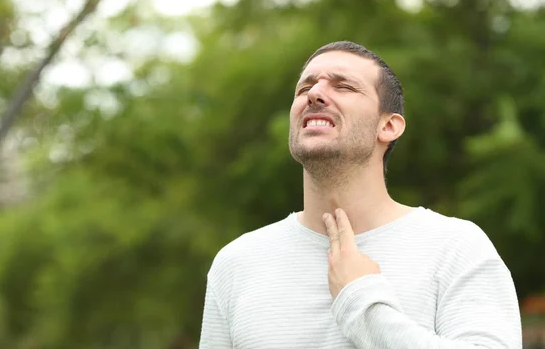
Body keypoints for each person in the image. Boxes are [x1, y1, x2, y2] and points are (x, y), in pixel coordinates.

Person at [198, 41, 522, 348]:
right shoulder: (236, 263)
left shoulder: (456, 248)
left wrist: (362, 301)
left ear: (389, 127)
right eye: (304, 87)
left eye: (343, 86)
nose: (315, 93)